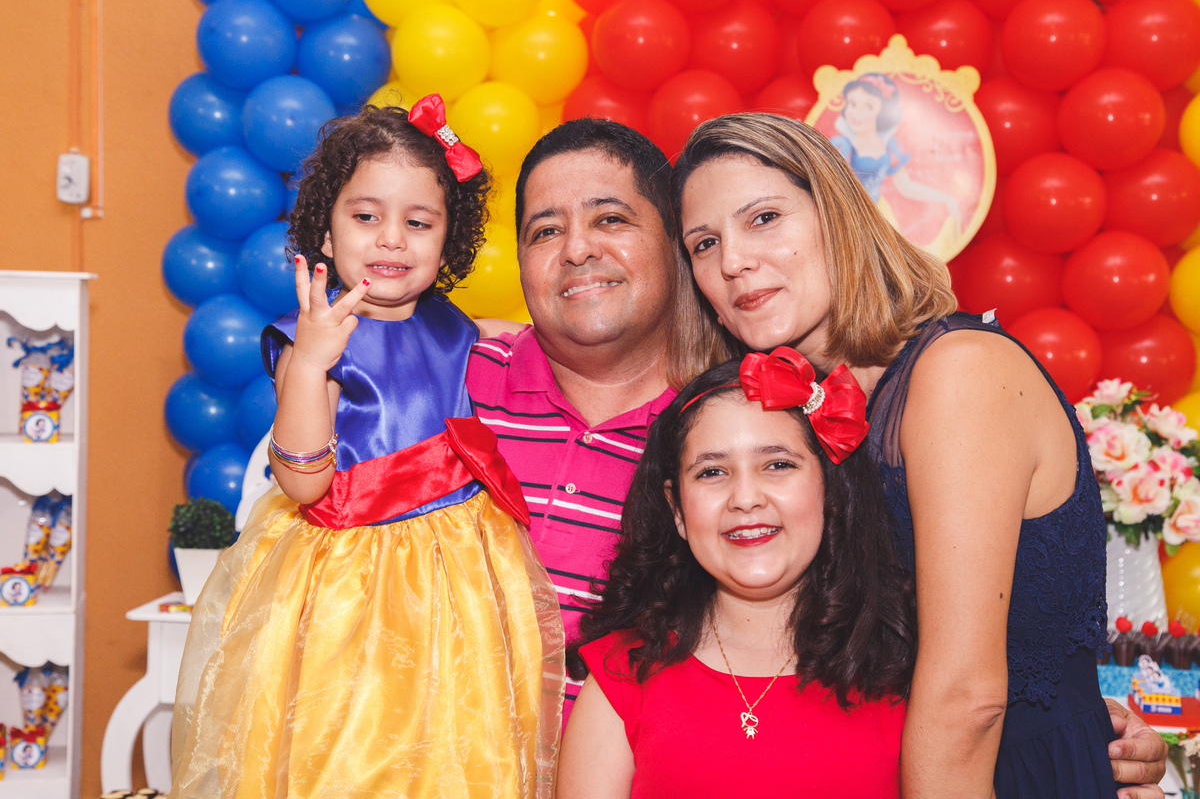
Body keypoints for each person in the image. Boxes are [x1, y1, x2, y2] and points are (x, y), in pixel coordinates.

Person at [670, 111, 1167, 798]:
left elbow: (967, 698)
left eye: (764, 219)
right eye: (704, 243)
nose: (732, 261)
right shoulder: (802, 414)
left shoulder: (959, 371)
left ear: (837, 217)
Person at [169, 99, 564, 799]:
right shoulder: (312, 338)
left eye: (418, 223)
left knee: (455, 746)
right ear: (326, 229)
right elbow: (302, 482)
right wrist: (311, 362)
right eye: (366, 216)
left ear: (448, 239)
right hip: (351, 585)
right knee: (350, 747)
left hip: (460, 580)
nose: (391, 240)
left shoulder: (456, 327)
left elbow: (525, 346)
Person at [557, 351, 915, 797]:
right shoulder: (623, 675)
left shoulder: (909, 673)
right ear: (677, 510)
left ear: (830, 488)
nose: (745, 498)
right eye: (712, 472)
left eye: (778, 464)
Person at [465, 118, 720, 716]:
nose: (577, 250)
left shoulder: (728, 430)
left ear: (675, 241)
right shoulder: (453, 381)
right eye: (546, 231)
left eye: (610, 219)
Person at [830, 73, 961, 248]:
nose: (856, 113)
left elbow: (906, 187)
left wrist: (945, 198)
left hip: (878, 214)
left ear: (882, 113)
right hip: (849, 215)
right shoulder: (842, 145)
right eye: (852, 104)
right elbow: (829, 186)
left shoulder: (891, 147)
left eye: (868, 106)